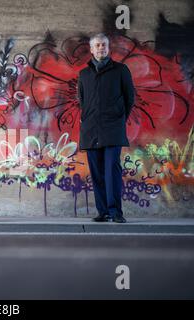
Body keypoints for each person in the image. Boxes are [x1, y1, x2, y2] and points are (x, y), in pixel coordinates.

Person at [77, 33, 135, 223]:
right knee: (97, 173)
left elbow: (129, 98)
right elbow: (82, 101)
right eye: (97, 45)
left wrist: (119, 118)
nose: (101, 48)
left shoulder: (121, 70)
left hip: (112, 129)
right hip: (91, 130)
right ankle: (103, 211)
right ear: (92, 49)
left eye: (104, 45)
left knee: (112, 170)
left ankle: (115, 211)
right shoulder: (84, 74)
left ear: (108, 48)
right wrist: (87, 120)